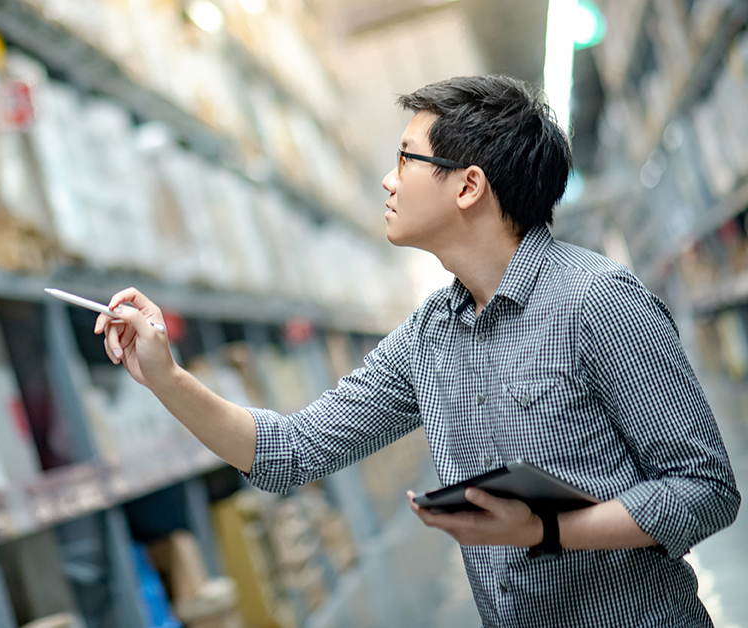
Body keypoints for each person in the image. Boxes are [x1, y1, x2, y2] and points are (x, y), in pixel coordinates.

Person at [92, 75, 739, 626]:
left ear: (468, 187)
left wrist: (547, 530)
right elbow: (290, 452)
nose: (387, 180)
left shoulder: (598, 301)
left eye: (406, 159)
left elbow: (706, 489)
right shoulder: (431, 335)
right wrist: (166, 376)